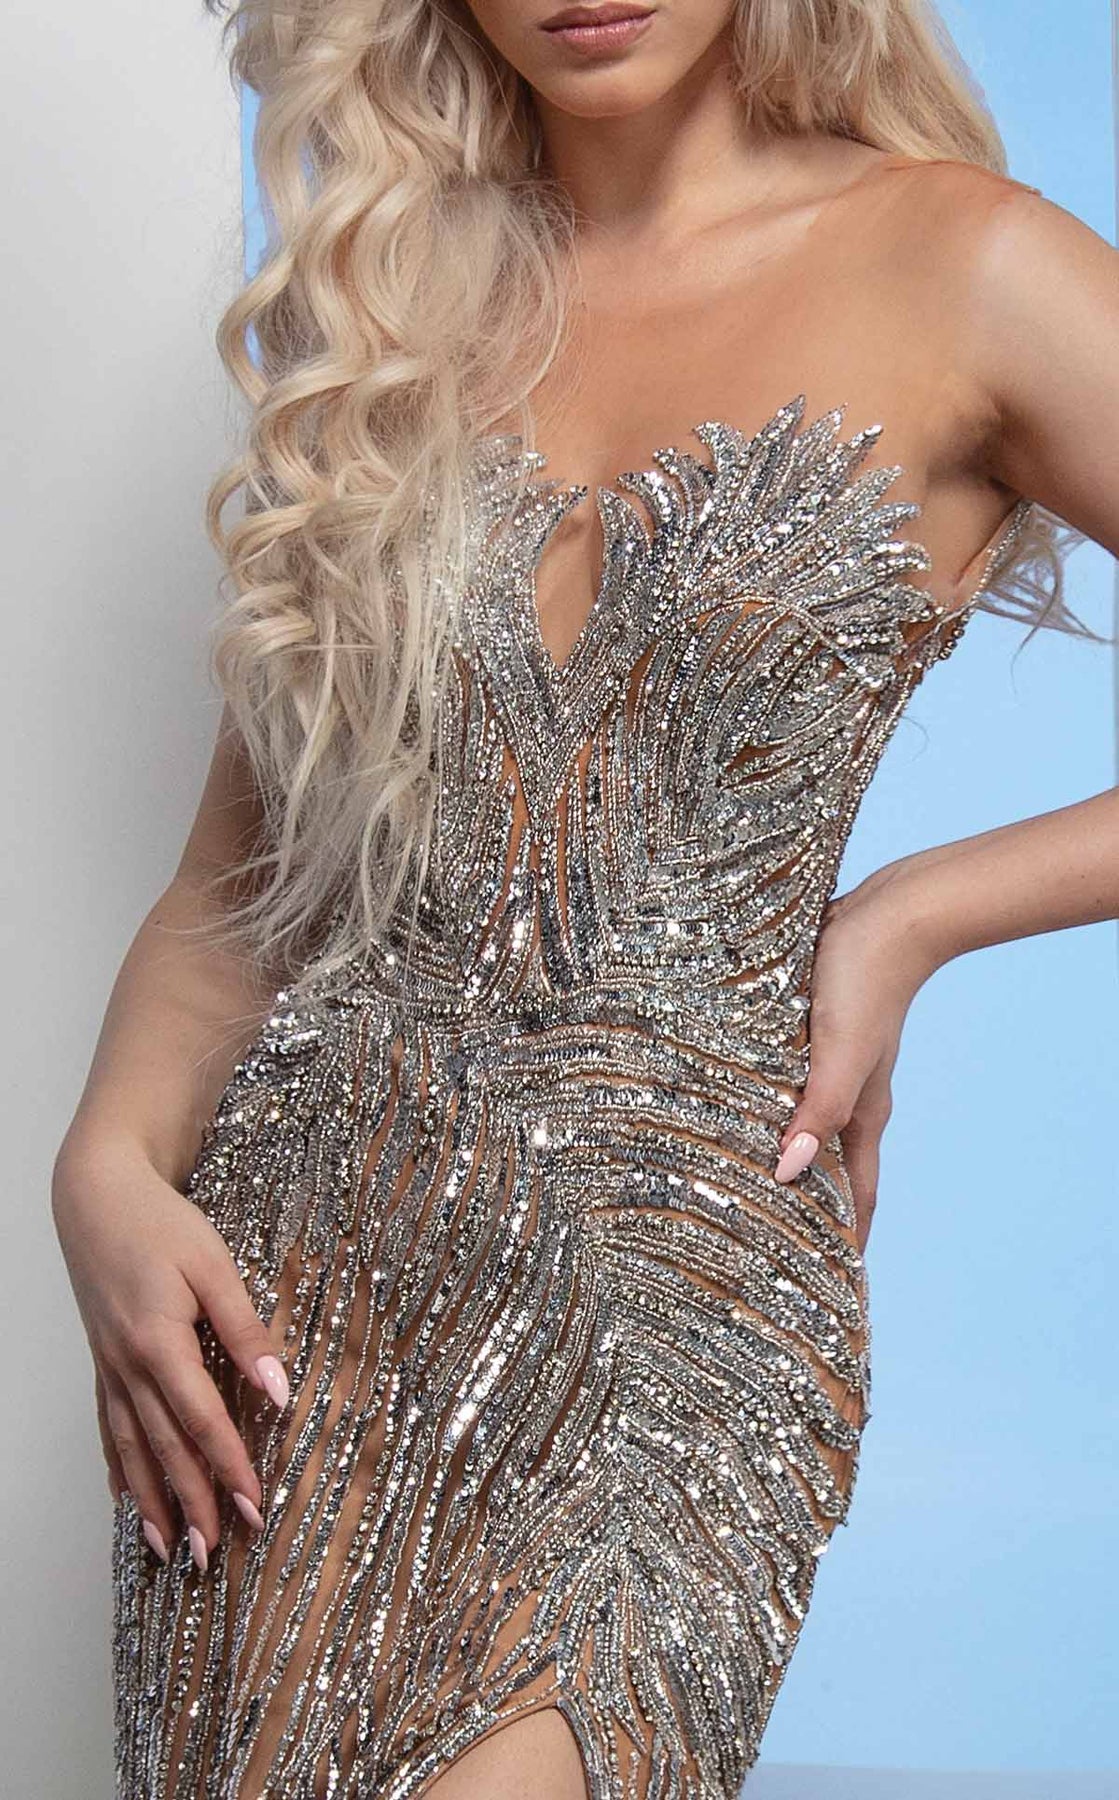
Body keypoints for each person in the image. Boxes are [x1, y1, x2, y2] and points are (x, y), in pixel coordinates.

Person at [51, 0, 1119, 1794]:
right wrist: (100, 1163)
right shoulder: (388, 304)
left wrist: (918, 910)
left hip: (666, 1317)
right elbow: (242, 886)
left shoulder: (964, 266)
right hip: (291, 1312)